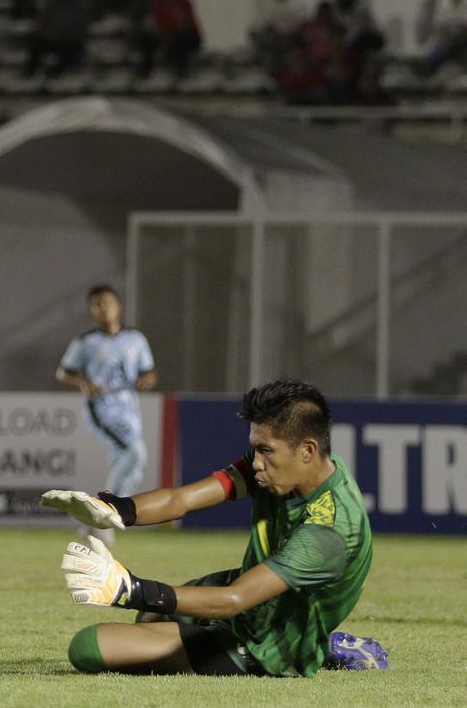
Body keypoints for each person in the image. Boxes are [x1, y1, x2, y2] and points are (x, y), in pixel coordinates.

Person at [41, 379, 387, 676]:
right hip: (250, 595)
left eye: (265, 451)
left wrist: (129, 589)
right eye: (255, 449)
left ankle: (315, 646)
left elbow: (234, 599)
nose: (256, 463)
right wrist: (117, 510)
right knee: (148, 619)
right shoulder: (297, 466)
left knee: (88, 647)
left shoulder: (328, 533)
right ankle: (320, 642)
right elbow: (182, 500)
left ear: (308, 450)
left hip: (273, 637)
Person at [55, 284, 156, 545]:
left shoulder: (136, 339)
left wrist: (147, 380)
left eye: (107, 303)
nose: (103, 309)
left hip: (129, 408)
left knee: (132, 465)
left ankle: (95, 519)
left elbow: (149, 371)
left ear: (118, 306)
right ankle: (106, 515)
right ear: (91, 312)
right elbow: (63, 372)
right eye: (96, 305)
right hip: (103, 407)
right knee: (135, 453)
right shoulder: (86, 342)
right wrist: (83, 382)